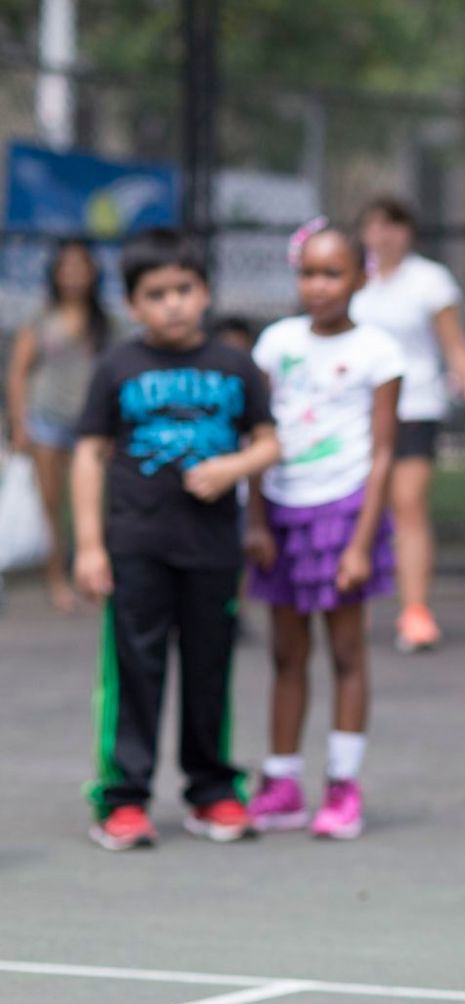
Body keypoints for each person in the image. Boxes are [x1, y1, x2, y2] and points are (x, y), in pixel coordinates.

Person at [70, 227, 279, 851]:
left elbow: (268, 442)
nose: (173, 303)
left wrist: (230, 469)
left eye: (184, 289)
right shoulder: (117, 366)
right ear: (133, 305)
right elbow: (88, 454)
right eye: (156, 294)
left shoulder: (235, 366)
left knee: (209, 670)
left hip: (213, 551)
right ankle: (123, 799)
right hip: (136, 545)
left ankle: (212, 790)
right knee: (134, 668)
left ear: (205, 292)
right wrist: (88, 544)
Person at [242, 223, 403, 840]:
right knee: (286, 653)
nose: (318, 286)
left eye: (332, 273)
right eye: (308, 273)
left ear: (359, 278)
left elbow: (384, 453)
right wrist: (255, 518)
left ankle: (343, 786)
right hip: (281, 511)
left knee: (344, 652)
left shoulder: (377, 352)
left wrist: (361, 542)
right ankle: (281, 783)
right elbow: (258, 439)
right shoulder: (275, 343)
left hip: (343, 510)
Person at [353, 196, 465, 653]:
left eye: (393, 225)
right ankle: (343, 603)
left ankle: (415, 612)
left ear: (408, 233)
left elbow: (455, 347)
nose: (383, 234)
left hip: (414, 406)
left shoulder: (430, 280)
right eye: (374, 225)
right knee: (352, 508)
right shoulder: (352, 281)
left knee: (408, 502)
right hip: (356, 412)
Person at [8, 238, 111, 613]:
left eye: (80, 267)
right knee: (51, 505)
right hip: (46, 422)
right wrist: (19, 425)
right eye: (66, 267)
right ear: (55, 274)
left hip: (91, 426)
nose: (73, 275)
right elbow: (18, 374)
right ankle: (56, 578)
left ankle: (94, 573)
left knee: (91, 503)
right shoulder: (40, 318)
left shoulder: (106, 321)